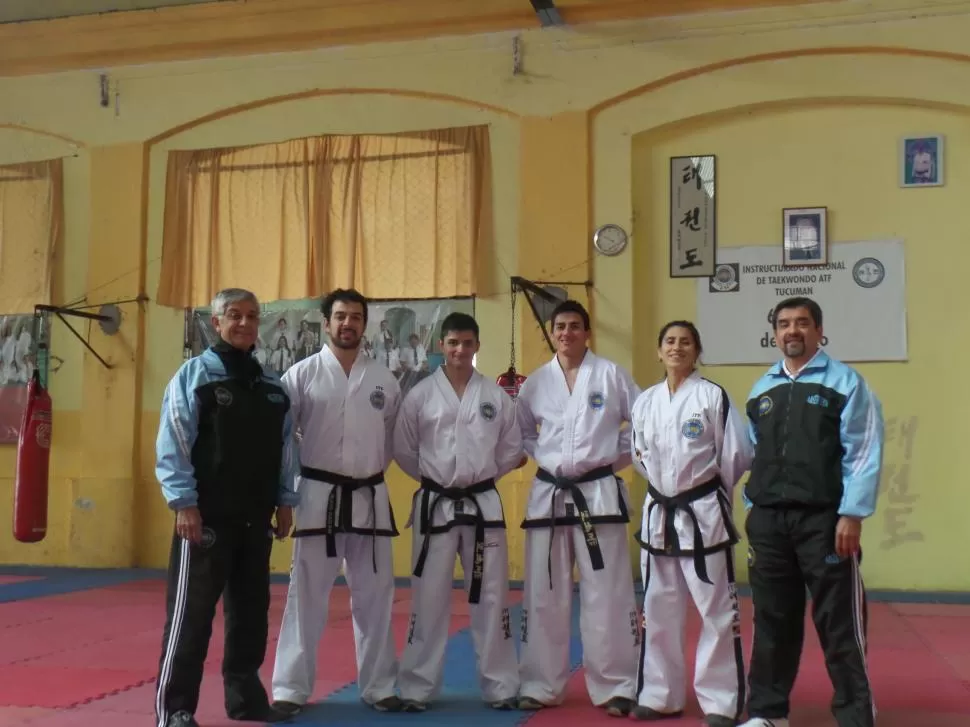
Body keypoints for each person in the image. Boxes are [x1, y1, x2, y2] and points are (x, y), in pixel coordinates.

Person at [153, 288, 298, 727]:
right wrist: (183, 503)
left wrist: (286, 501)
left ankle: (246, 699)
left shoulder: (272, 387)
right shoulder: (195, 376)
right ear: (216, 323)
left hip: (256, 520)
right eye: (233, 315)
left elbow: (286, 448)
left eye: (252, 316)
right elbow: (173, 442)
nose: (244, 323)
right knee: (191, 619)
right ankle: (175, 710)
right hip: (206, 519)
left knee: (250, 615)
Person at [740, 297, 884, 727]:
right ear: (775, 333)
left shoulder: (846, 383)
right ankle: (768, 713)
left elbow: (863, 451)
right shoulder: (762, 389)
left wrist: (852, 513)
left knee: (839, 624)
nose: (792, 331)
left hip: (825, 522)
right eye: (784, 324)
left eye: (802, 323)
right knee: (771, 621)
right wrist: (753, 508)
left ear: (819, 331)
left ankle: (856, 713)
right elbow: (752, 453)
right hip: (769, 523)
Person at [270, 288, 404, 717]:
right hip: (317, 495)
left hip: (369, 494)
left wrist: (365, 472)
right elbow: (284, 440)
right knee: (305, 594)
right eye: (341, 316)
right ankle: (290, 687)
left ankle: (380, 685)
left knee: (376, 594)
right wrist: (285, 496)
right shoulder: (302, 375)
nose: (348, 324)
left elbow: (390, 441)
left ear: (365, 325)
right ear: (326, 322)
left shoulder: (384, 379)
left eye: (356, 317)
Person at [392, 312, 525, 712]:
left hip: (483, 503)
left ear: (477, 346)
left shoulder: (495, 396)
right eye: (452, 343)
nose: (460, 350)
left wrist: (478, 479)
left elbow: (512, 449)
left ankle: (500, 686)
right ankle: (417, 688)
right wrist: (439, 481)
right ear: (440, 346)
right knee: (427, 596)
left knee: (491, 595)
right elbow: (403, 449)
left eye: (467, 343)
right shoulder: (419, 395)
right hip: (435, 505)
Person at [515, 299, 642, 718]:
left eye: (574, 326)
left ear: (588, 332)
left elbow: (641, 425)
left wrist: (610, 461)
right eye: (560, 327)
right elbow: (523, 434)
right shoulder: (535, 383)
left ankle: (616, 685)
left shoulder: (611, 376)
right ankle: (540, 683)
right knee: (543, 591)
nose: (566, 333)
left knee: (607, 593)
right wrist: (549, 460)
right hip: (550, 496)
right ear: (551, 334)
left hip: (598, 493)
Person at [629, 321, 752, 726]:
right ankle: (660, 694)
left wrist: (709, 496)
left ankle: (720, 701)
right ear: (658, 351)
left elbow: (735, 455)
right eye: (670, 341)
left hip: (702, 514)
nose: (677, 348)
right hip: (659, 513)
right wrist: (667, 492)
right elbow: (638, 456)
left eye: (685, 342)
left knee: (716, 610)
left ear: (697, 351)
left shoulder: (712, 396)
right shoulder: (645, 401)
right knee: (657, 608)